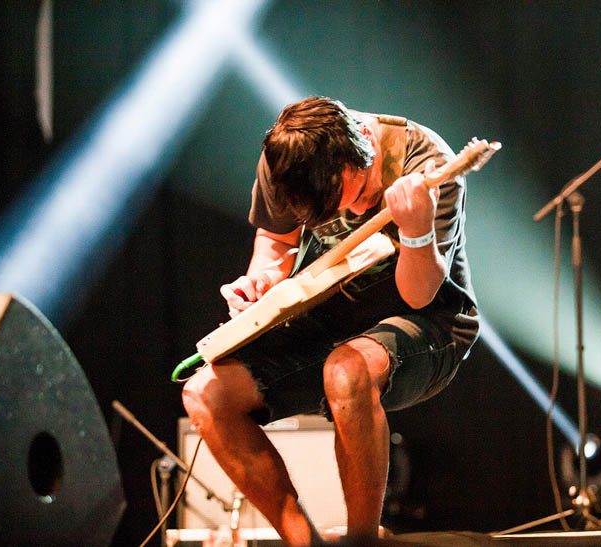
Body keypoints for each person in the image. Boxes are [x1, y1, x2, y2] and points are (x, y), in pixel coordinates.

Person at [182, 97, 479, 545]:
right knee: (205, 395)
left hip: (428, 320)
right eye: (332, 211)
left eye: (360, 195)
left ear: (363, 140)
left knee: (346, 370)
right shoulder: (287, 159)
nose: (356, 213)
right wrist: (259, 282)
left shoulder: (427, 162)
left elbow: (419, 292)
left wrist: (415, 230)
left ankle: (362, 541)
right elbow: (275, 241)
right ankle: (303, 541)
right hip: (328, 312)